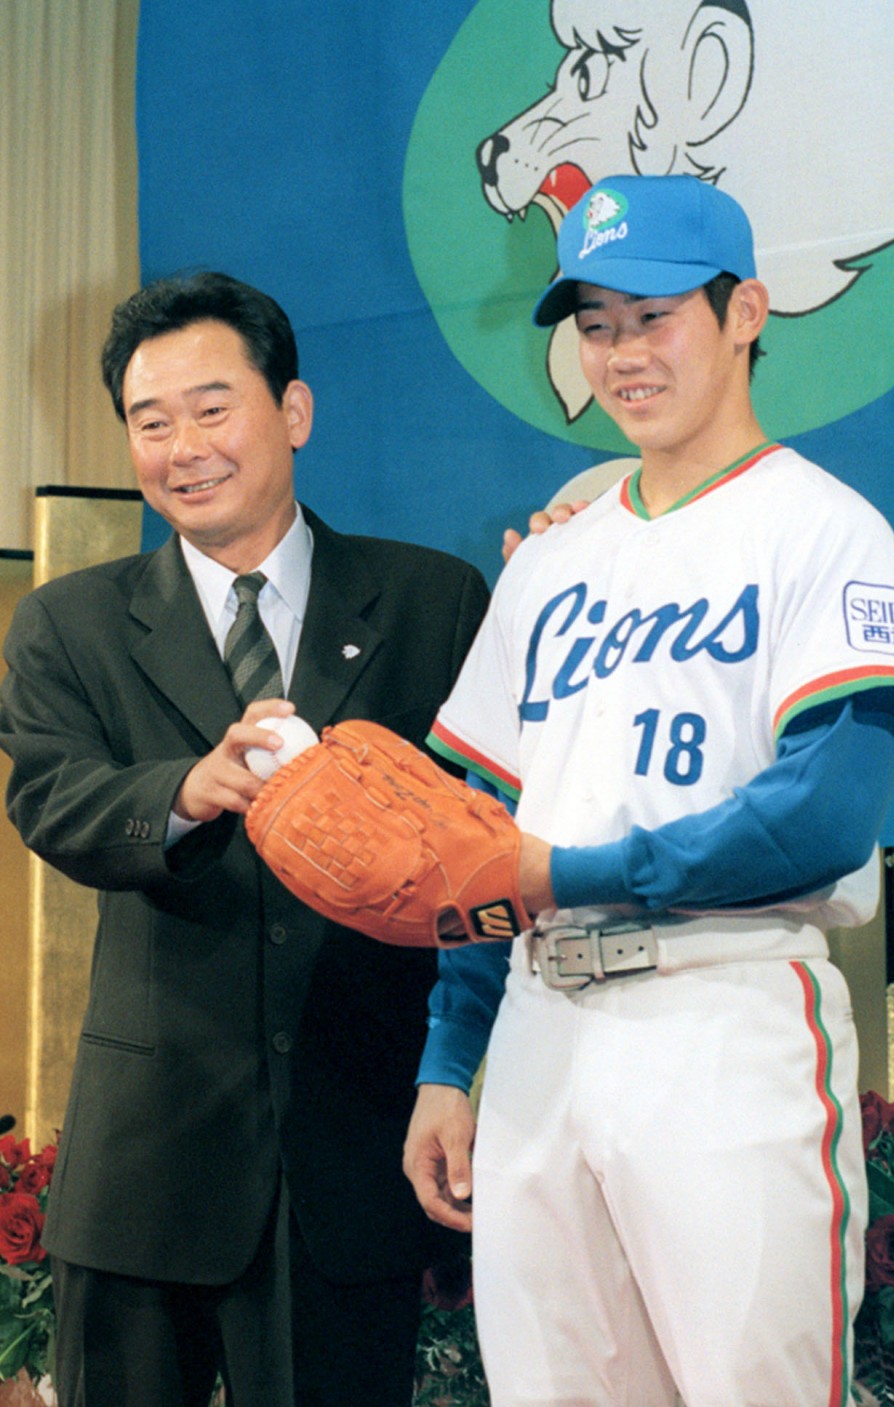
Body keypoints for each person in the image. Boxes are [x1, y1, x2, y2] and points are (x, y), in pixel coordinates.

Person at [403, 174, 894, 1407]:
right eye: (595, 323)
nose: (621, 353)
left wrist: (566, 875)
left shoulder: (825, 529)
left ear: (745, 309)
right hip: (541, 1033)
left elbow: (823, 817)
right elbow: (487, 839)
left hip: (719, 1008)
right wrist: (450, 1060)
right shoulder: (552, 566)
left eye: (653, 315)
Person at [0, 271, 490, 1407]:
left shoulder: (433, 600)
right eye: (150, 421)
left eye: (212, 409)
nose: (184, 448)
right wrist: (189, 788)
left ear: (294, 413)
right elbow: (55, 801)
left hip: (354, 1160)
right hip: (146, 1177)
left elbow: (486, 837)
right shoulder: (68, 623)